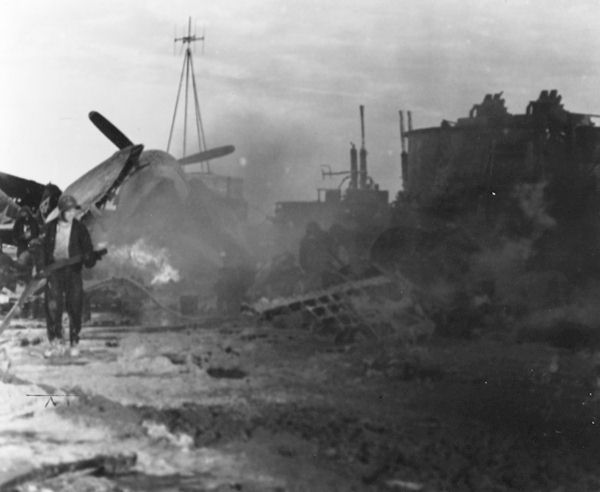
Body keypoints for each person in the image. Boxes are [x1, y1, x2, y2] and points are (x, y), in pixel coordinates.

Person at [42, 194, 98, 357]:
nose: (73, 213)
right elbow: (42, 248)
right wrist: (42, 267)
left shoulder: (80, 228)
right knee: (53, 307)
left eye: (74, 210)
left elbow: (88, 249)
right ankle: (55, 342)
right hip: (55, 271)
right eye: (69, 211)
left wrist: (89, 258)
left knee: (75, 306)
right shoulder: (51, 227)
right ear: (61, 212)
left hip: (73, 271)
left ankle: (74, 341)